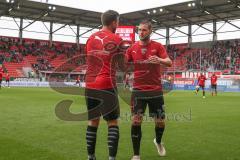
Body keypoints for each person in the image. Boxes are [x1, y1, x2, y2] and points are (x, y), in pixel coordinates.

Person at [125, 20, 172, 160]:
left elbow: (169, 62)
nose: (141, 32)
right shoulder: (132, 48)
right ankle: (136, 154)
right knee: (136, 121)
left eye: (144, 30)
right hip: (138, 90)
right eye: (139, 30)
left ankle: (158, 141)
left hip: (155, 90)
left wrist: (159, 59)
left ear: (150, 31)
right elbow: (124, 64)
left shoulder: (157, 46)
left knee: (160, 122)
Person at [85, 10, 123, 160]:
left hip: (90, 85)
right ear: (113, 22)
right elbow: (122, 64)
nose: (118, 24)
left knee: (93, 121)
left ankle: (90, 157)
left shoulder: (90, 38)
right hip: (107, 84)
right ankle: (111, 158)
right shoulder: (117, 39)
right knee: (112, 122)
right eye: (118, 22)